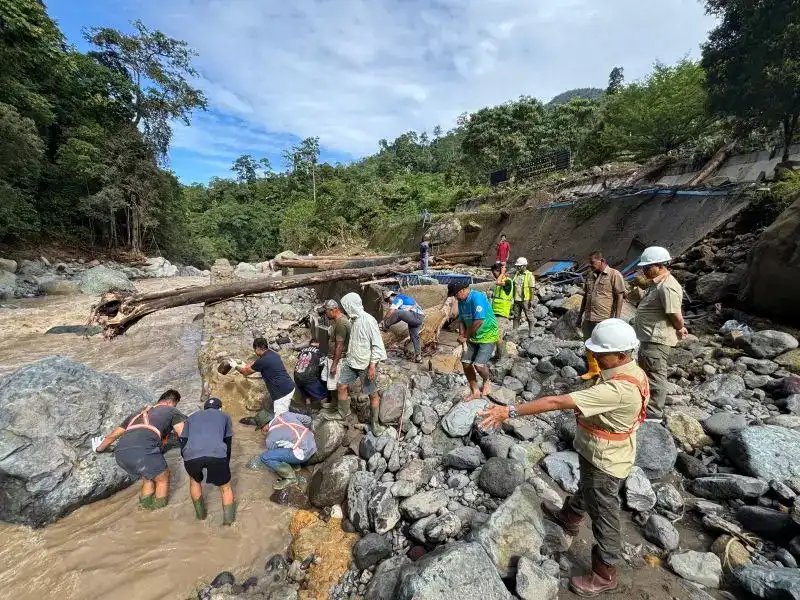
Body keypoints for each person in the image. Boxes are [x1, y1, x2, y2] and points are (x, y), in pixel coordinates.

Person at [479, 319, 649, 596]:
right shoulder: (632, 371)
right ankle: (569, 516)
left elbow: (555, 402)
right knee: (588, 486)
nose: (594, 357)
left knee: (604, 512)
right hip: (600, 453)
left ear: (621, 354)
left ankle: (606, 571)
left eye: (600, 354)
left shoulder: (618, 389)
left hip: (607, 460)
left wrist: (507, 411)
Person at [94, 389, 187, 510]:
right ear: (171, 403)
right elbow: (183, 434)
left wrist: (99, 449)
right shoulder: (172, 410)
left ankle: (143, 509)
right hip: (143, 452)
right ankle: (158, 513)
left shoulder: (137, 413)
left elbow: (112, 436)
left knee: (148, 478)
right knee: (163, 478)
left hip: (121, 455)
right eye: (175, 404)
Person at [322, 292, 388, 434]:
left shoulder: (369, 321)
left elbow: (377, 345)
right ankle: (342, 413)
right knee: (341, 385)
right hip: (351, 361)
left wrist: (372, 365)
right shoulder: (352, 320)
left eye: (346, 306)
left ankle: (375, 423)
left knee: (372, 394)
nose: (345, 309)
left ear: (352, 306)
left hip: (365, 364)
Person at [633, 246, 687, 420]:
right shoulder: (657, 284)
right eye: (644, 267)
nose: (645, 271)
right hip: (649, 338)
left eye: (648, 267)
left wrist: (680, 328)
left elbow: (674, 314)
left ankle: (654, 414)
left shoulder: (667, 287)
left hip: (656, 340)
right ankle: (645, 406)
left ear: (661, 265)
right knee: (647, 373)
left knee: (655, 376)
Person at [179, 397, 236, 524]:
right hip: (216, 453)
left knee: (194, 482)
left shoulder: (192, 417)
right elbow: (228, 440)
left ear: (204, 408)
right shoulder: (224, 416)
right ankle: (229, 524)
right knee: (225, 487)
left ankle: (201, 517)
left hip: (191, 455)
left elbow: (183, 440)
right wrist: (226, 460)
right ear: (220, 408)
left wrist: (186, 457)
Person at [448, 280, 499, 401]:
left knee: (479, 366)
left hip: (487, 335)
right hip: (472, 336)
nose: (455, 297)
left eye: (455, 294)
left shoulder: (477, 297)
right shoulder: (461, 301)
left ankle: (487, 380)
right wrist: (461, 335)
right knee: (465, 363)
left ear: (461, 291)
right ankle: (475, 390)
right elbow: (461, 320)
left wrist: (465, 335)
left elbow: (479, 320)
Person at [579, 251, 626, 380]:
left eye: (593, 263)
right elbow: (585, 297)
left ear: (602, 261)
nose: (591, 266)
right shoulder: (589, 275)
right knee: (588, 343)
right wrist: (580, 316)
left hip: (604, 317)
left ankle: (608, 372)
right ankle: (593, 370)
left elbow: (620, 296)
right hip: (589, 317)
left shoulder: (614, 274)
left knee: (605, 345)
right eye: (590, 264)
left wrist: (617, 318)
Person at [258, 411, 317, 490]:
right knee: (289, 443)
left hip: (303, 454)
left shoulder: (270, 438)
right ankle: (296, 465)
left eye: (261, 429)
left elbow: (275, 456)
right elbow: (308, 420)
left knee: (265, 457)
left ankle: (290, 478)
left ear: (264, 427)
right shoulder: (286, 414)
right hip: (312, 443)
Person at [237, 338, 296, 416]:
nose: (254, 352)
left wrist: (235, 366)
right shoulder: (273, 354)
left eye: (254, 349)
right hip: (290, 386)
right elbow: (256, 364)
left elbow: (245, 373)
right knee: (289, 412)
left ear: (257, 348)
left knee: (281, 418)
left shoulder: (262, 361)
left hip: (281, 393)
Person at [321, 299, 351, 410]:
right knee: (331, 384)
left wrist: (334, 364)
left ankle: (342, 409)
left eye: (326, 311)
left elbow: (340, 345)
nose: (326, 314)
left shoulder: (341, 323)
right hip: (332, 357)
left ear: (333, 310)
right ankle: (334, 403)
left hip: (337, 359)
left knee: (338, 385)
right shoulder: (337, 321)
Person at [382, 290, 425, 363]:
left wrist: (384, 321)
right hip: (418, 317)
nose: (388, 302)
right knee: (414, 337)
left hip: (416, 315)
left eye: (388, 300)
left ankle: (384, 326)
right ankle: (418, 357)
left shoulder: (397, 298)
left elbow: (392, 311)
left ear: (391, 296)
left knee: (397, 312)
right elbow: (399, 317)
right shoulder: (403, 298)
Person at [490, 262, 514, 358]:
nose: (493, 275)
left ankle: (503, 357)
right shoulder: (500, 281)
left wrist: (502, 273)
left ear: (499, 271)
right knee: (493, 334)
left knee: (498, 335)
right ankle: (497, 355)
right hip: (495, 312)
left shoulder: (507, 281)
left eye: (495, 272)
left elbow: (497, 282)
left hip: (502, 312)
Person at [293, 339, 327, 405]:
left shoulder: (302, 351)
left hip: (296, 375)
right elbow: (322, 368)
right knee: (323, 395)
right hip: (308, 377)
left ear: (310, 344)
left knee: (305, 393)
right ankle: (323, 410)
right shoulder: (319, 352)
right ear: (318, 344)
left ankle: (308, 404)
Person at [512, 257, 537, 335]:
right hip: (517, 299)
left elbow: (531, 289)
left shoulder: (529, 275)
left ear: (524, 265)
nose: (518, 267)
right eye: (517, 266)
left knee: (529, 316)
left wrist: (531, 300)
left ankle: (531, 332)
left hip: (525, 299)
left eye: (519, 266)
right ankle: (514, 331)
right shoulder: (516, 274)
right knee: (516, 316)